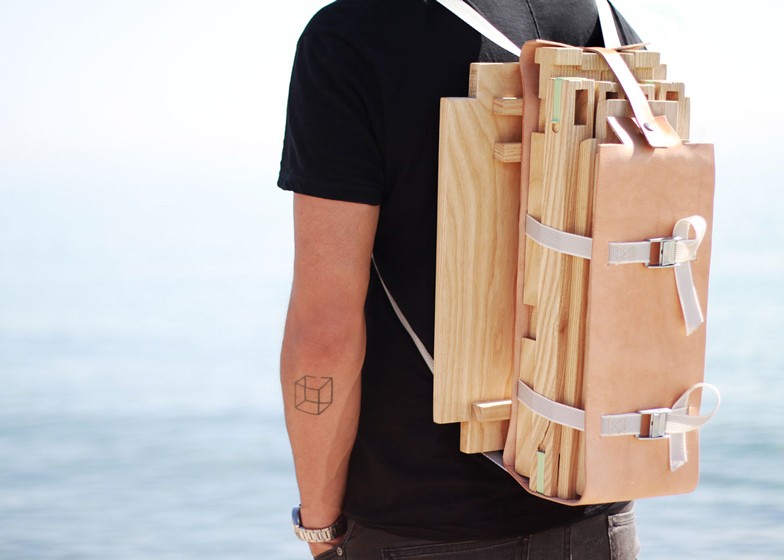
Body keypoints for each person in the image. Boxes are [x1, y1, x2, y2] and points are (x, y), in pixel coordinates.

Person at [277, 1, 642, 558]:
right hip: (598, 509)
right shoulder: (608, 28)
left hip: (418, 525)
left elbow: (323, 333)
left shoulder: (354, 37)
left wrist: (320, 529)